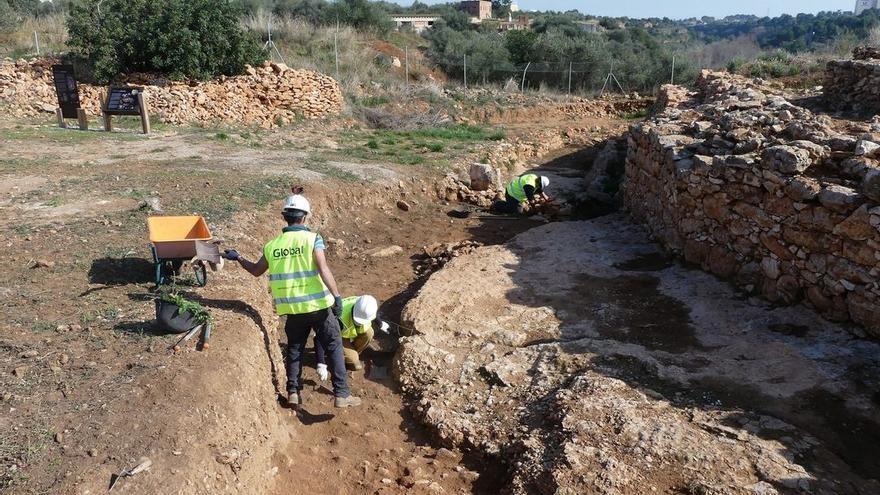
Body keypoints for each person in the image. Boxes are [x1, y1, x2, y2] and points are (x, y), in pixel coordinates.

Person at [222, 193, 361, 409]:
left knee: (295, 348)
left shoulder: (272, 246)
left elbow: (256, 271)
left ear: (284, 217)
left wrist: (238, 257)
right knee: (333, 346)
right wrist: (337, 296)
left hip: (293, 310)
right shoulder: (313, 239)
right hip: (319, 307)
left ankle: (293, 392)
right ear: (304, 217)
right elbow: (323, 269)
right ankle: (341, 394)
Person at [314, 295, 390, 377]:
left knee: (369, 332)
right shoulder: (339, 317)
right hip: (339, 336)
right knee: (356, 365)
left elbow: (372, 315)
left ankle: (353, 353)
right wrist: (321, 363)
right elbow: (319, 337)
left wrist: (380, 323)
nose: (360, 323)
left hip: (350, 331)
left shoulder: (364, 304)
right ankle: (347, 356)